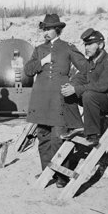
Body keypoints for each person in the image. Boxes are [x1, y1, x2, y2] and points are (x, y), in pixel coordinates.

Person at [24, 14, 88, 187]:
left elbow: (86, 68)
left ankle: (61, 176)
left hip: (60, 101)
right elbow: (28, 70)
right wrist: (42, 62)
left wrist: (73, 85)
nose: (45, 32)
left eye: (48, 29)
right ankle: (47, 172)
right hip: (41, 100)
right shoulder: (38, 50)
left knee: (58, 138)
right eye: (43, 29)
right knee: (43, 138)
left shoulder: (68, 48)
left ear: (57, 29)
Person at [61, 28, 108, 146]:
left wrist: (76, 89)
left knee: (88, 95)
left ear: (101, 45)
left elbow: (102, 86)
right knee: (66, 92)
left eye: (90, 44)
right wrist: (71, 85)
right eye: (85, 44)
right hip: (101, 98)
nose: (86, 48)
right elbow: (81, 76)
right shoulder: (91, 62)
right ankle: (75, 126)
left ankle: (93, 135)